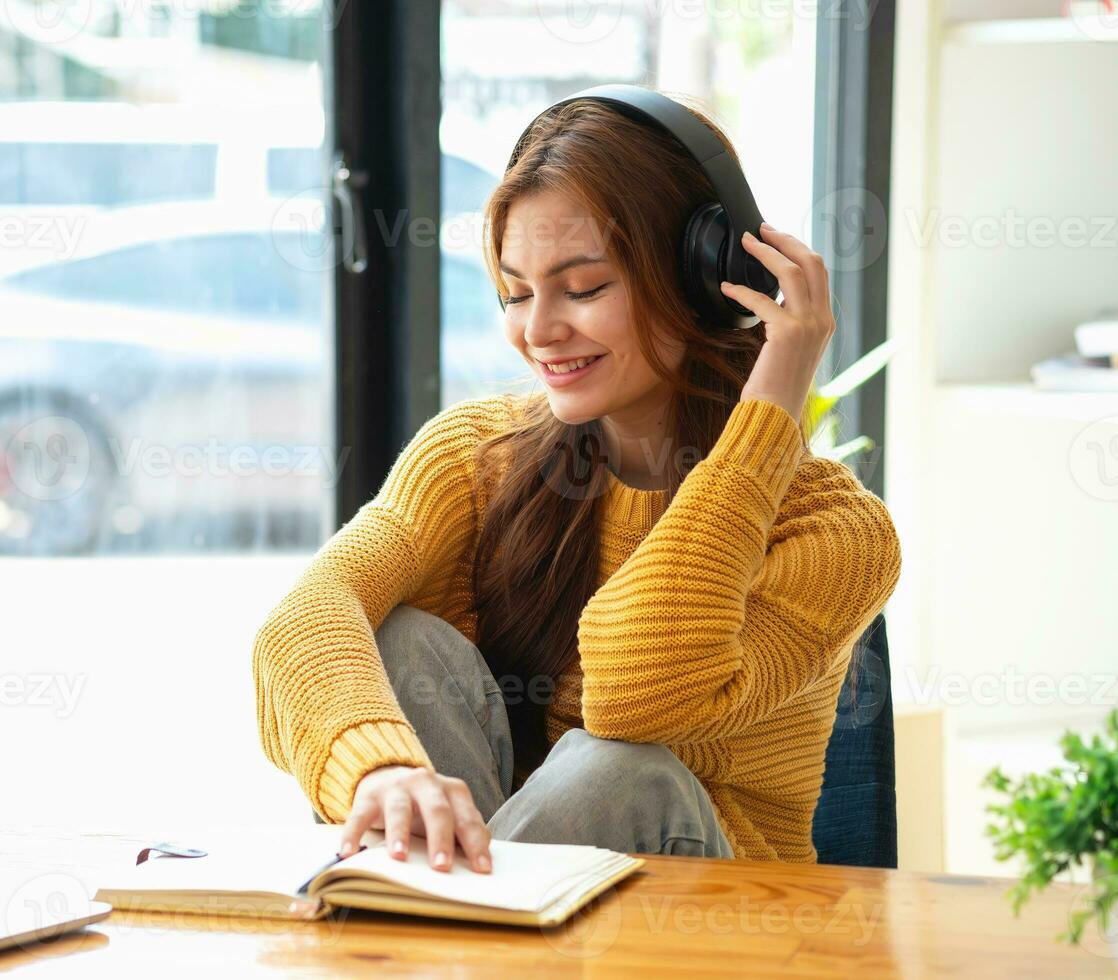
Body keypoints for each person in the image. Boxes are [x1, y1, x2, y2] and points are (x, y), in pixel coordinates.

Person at [251, 94, 901, 876]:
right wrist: (381, 768)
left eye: (584, 288)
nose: (539, 331)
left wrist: (771, 410)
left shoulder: (836, 533)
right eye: (518, 294)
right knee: (398, 639)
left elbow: (637, 699)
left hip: (714, 925)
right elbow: (305, 616)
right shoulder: (475, 456)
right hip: (518, 910)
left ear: (704, 276)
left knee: (617, 769)